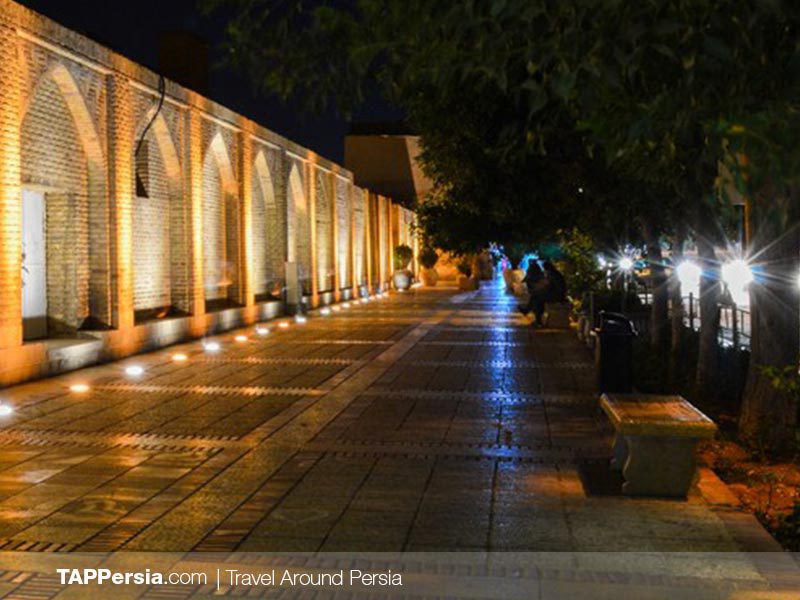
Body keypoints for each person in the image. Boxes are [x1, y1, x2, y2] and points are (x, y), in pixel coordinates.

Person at [517, 260, 547, 325]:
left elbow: (545, 285)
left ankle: (528, 312)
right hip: (546, 293)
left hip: (551, 294)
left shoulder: (542, 275)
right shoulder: (542, 273)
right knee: (535, 298)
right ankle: (536, 319)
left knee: (536, 299)